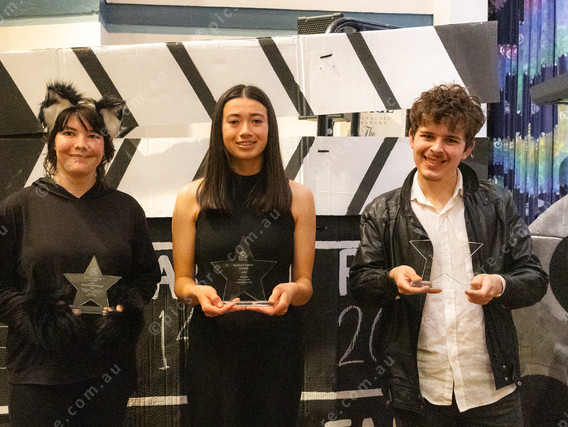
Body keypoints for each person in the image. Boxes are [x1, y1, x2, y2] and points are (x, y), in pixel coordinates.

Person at [349, 83, 548, 426]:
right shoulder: (382, 212)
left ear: (467, 148)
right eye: (427, 135)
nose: (436, 149)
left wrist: (499, 285)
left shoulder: (497, 204)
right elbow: (361, 285)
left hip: (492, 390)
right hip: (420, 392)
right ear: (411, 137)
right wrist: (391, 279)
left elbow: (535, 279)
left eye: (451, 140)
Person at [0, 82, 161, 427]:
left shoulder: (127, 209)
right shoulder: (17, 208)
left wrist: (125, 309)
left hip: (108, 375)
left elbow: (146, 276)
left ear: (105, 146)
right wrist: (40, 317)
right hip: (38, 377)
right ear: (52, 141)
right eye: (69, 133)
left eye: (93, 135)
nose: (81, 144)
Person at [171, 84, 315, 426]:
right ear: (219, 129)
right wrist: (196, 292)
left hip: (277, 353)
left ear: (270, 128)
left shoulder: (299, 197)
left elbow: (305, 285)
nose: (246, 131)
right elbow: (181, 282)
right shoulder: (191, 197)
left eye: (257, 121)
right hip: (213, 351)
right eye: (234, 121)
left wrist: (293, 291)